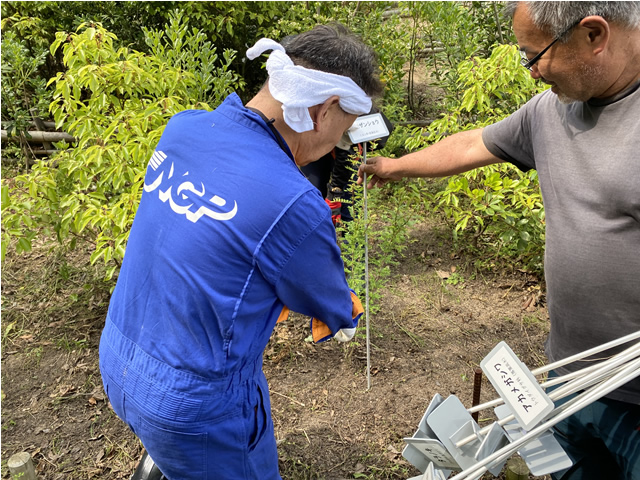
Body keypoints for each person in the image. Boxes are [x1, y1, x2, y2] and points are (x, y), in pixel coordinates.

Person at [359, 2, 640, 479]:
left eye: (536, 56)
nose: (531, 72)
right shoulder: (551, 111)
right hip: (570, 372)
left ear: (594, 35)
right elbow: (473, 143)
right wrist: (394, 166)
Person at [99, 23, 383, 480]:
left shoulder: (184, 128)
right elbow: (333, 307)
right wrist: (342, 314)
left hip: (119, 357)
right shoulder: (294, 204)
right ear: (326, 108)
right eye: (343, 135)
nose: (335, 148)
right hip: (195, 404)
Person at [301, 109, 393, 225]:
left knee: (350, 203)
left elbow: (344, 159)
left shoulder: (343, 111)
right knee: (312, 198)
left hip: (347, 148)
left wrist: (335, 193)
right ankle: (319, 235)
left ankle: (352, 238)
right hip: (316, 146)